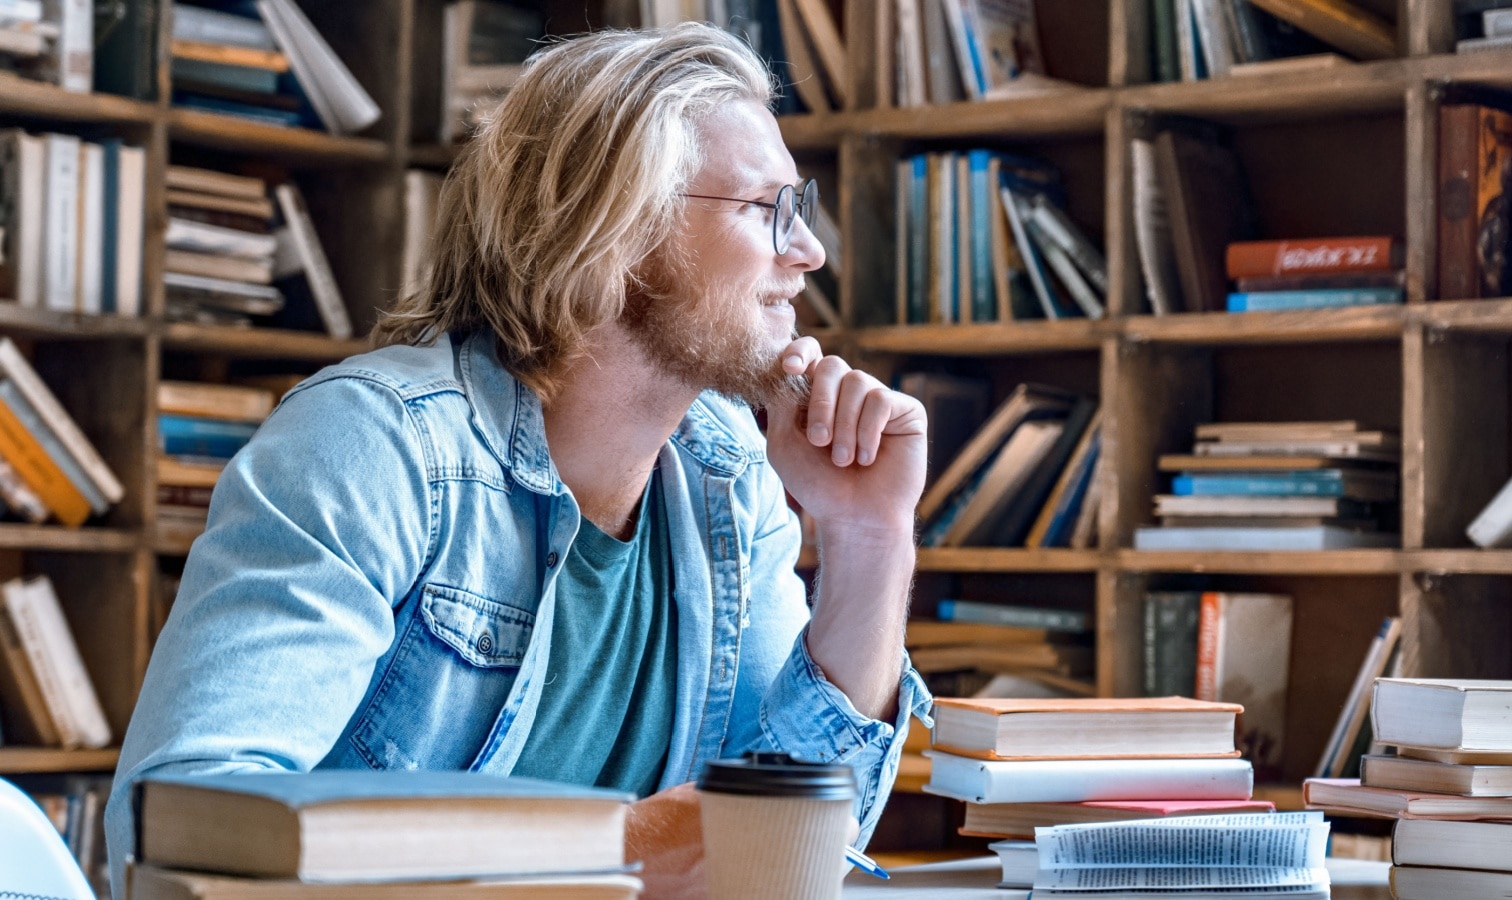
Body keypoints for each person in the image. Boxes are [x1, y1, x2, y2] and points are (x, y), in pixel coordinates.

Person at [105, 22, 932, 899]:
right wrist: (626, 844)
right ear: (614, 230)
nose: (809, 252)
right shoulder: (372, 445)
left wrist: (870, 537)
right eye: (767, 209)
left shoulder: (729, 481)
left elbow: (785, 851)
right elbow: (180, 827)